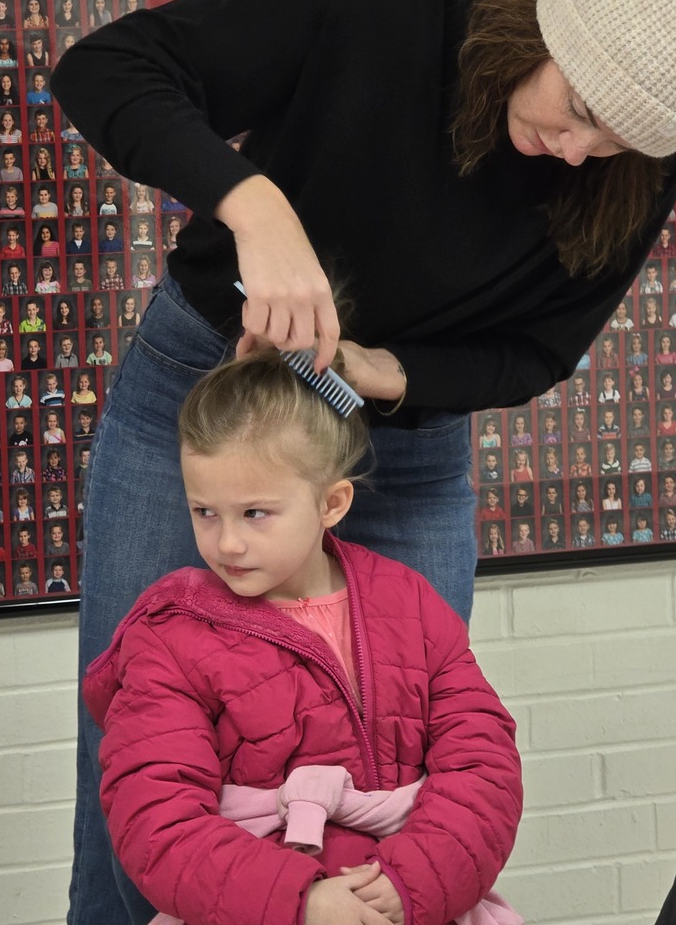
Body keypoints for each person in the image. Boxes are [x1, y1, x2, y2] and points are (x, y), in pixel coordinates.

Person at [51, 0, 676, 923]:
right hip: (212, 398)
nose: (575, 152)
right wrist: (254, 210)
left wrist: (371, 371)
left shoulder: (636, 156)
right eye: (576, 109)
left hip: (398, 432)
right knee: (144, 752)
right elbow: (109, 68)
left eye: (614, 140)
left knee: (401, 757)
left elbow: (536, 352)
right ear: (549, 27)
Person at [85, 351, 521, 925]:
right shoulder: (169, 638)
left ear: (331, 503)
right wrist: (298, 901)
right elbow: (156, 818)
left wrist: (417, 876)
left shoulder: (410, 604)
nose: (228, 543)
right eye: (204, 511)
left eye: (255, 513)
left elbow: (483, 764)